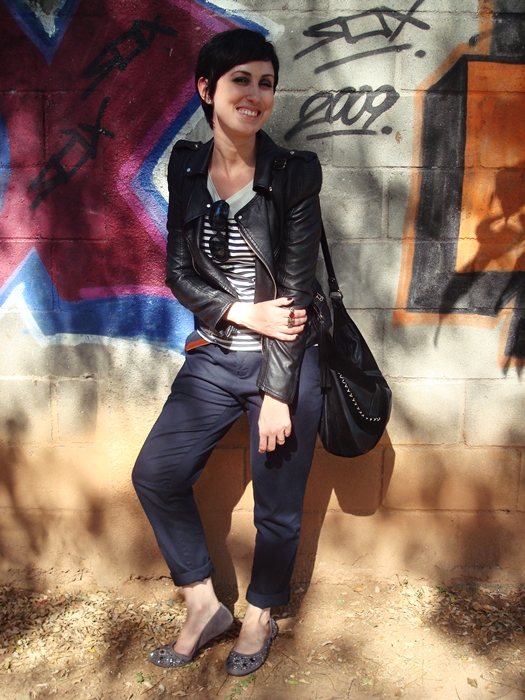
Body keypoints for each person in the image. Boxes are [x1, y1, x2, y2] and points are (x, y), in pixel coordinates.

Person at [132, 27, 329, 677]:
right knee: (156, 474)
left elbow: (295, 295)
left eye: (265, 82)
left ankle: (259, 614)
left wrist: (277, 393)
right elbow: (177, 272)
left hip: (286, 364)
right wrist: (239, 311)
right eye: (240, 80)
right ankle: (202, 605)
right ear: (206, 89)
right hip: (215, 357)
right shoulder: (187, 166)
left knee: (277, 505)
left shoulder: (294, 173)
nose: (254, 94)